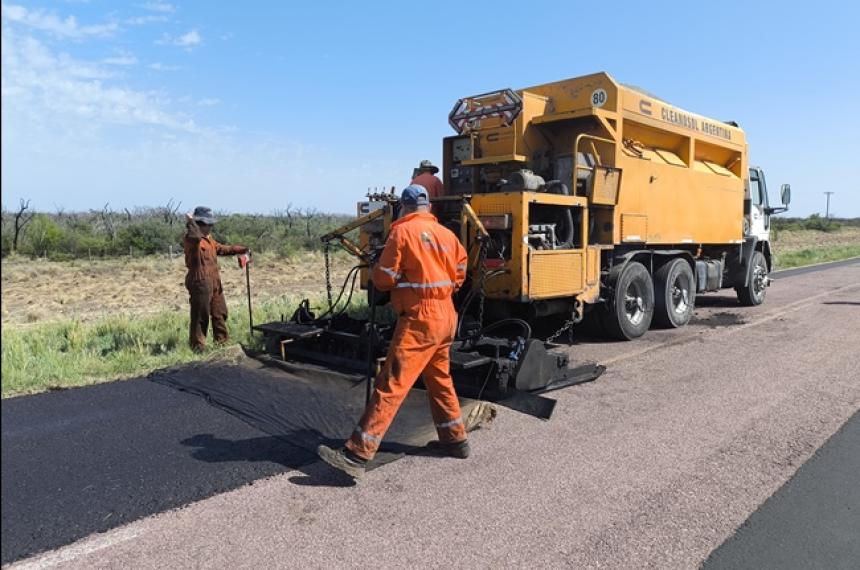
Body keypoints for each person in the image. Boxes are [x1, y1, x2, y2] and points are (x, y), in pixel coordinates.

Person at [317, 184, 469, 478]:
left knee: (392, 382)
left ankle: (357, 453)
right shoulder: (448, 236)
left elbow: (384, 280)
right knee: (439, 379)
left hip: (420, 319)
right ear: (427, 208)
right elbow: (461, 270)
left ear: (404, 207)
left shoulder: (402, 233)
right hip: (446, 315)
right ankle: (455, 440)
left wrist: (377, 267)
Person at [183, 206, 248, 352]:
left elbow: (222, 249)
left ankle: (221, 342)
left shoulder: (209, 239)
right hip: (200, 280)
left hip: (214, 280)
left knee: (220, 311)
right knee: (201, 314)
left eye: (211, 223)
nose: (211, 227)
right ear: (200, 223)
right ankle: (198, 347)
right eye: (208, 224)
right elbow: (194, 236)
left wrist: (241, 249)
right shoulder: (192, 239)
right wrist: (190, 221)